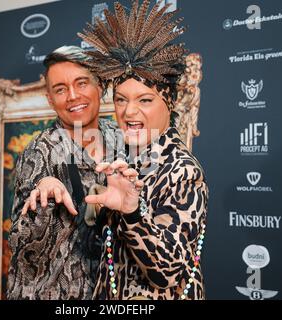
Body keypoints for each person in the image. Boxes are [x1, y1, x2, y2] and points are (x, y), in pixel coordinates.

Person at [78, 0, 209, 299]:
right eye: (121, 99)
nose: (129, 112)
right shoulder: (120, 159)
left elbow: (166, 273)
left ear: (169, 103)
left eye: (145, 100)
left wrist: (133, 213)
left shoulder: (183, 171)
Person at [6, 46, 121, 299]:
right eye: (60, 89)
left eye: (81, 83)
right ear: (50, 99)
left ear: (99, 86)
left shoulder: (123, 140)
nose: (72, 96)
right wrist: (43, 197)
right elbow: (19, 243)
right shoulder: (39, 152)